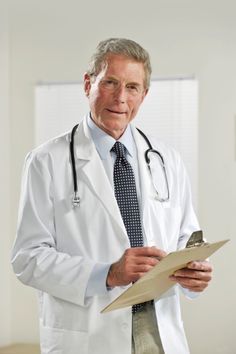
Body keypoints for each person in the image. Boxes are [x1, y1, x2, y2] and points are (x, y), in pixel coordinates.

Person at [12, 38, 212, 354]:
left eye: (132, 87)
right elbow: (27, 258)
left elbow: (187, 238)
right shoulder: (46, 161)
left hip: (159, 333)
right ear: (88, 83)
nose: (121, 98)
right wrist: (107, 274)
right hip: (88, 337)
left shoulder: (167, 159)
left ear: (144, 95)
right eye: (110, 83)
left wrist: (195, 272)